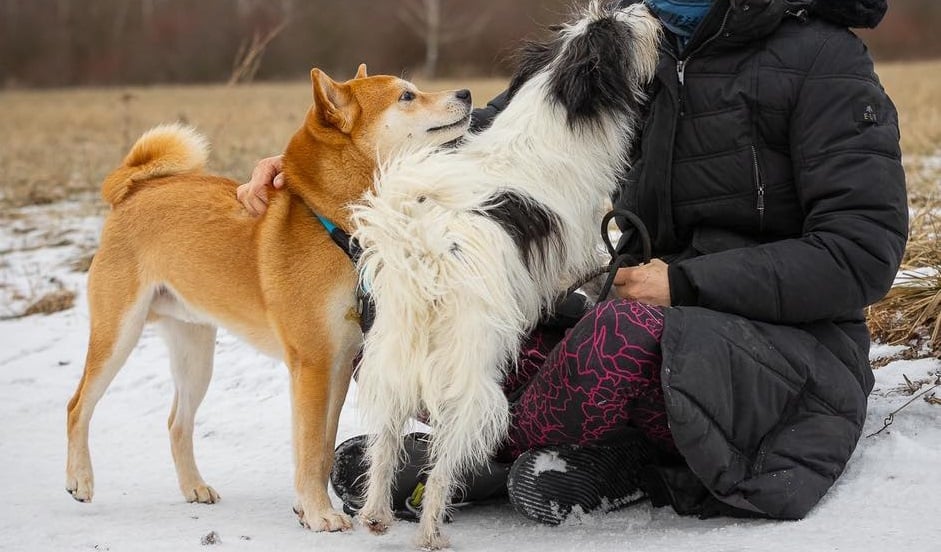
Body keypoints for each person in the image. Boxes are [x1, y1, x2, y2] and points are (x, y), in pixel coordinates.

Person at [238, 0, 906, 525]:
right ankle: (568, 455)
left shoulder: (822, 60)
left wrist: (685, 281)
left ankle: (474, 458)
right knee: (402, 303)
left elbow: (859, 254)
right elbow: (486, 143)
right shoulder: (615, 43)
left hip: (783, 357)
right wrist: (316, 166)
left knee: (617, 337)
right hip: (636, 308)